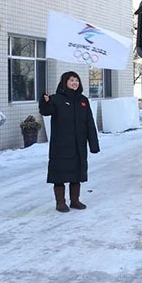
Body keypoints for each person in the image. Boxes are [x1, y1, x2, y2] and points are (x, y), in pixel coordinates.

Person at [39, 71, 100, 213]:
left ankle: (75, 201)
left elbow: (90, 123)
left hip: (78, 144)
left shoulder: (83, 100)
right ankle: (60, 203)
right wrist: (44, 101)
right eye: (71, 80)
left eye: (76, 80)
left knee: (76, 174)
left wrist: (93, 144)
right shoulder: (56, 99)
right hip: (61, 145)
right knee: (59, 175)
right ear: (64, 82)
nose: (74, 83)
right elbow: (46, 111)